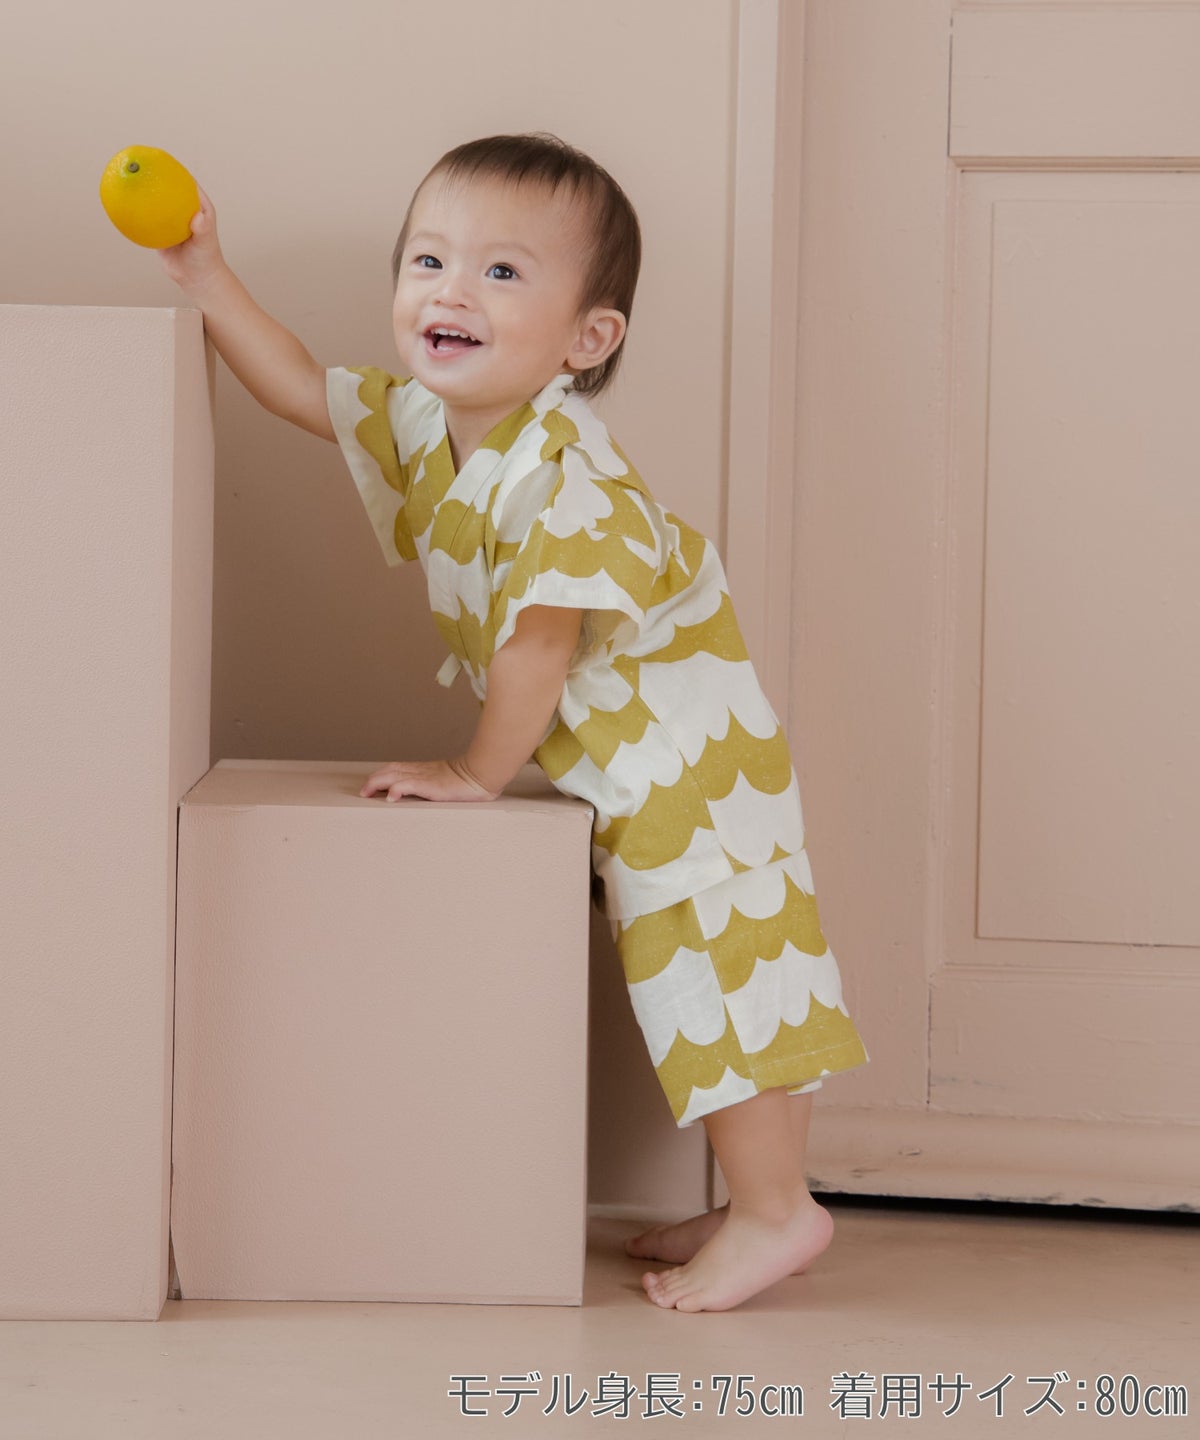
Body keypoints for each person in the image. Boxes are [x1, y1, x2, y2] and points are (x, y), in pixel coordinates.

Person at [158, 131, 869, 1313]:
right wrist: (205, 273)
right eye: (429, 260)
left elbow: (539, 648)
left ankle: (776, 1209)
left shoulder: (565, 473)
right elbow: (300, 386)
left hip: (683, 760)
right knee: (744, 966)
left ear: (587, 339)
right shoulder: (432, 424)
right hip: (637, 753)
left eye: (500, 272)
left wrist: (475, 773)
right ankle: (761, 1194)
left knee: (723, 971)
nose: (451, 290)